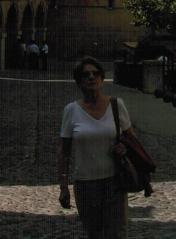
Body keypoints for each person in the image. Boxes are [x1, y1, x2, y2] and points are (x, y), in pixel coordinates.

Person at [58, 56, 151, 239]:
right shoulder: (71, 110)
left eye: (96, 73)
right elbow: (64, 151)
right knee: (94, 233)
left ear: (102, 78)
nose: (91, 77)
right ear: (79, 81)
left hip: (114, 181)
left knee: (115, 233)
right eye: (86, 75)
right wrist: (63, 186)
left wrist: (124, 148)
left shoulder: (116, 105)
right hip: (85, 184)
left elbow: (132, 140)